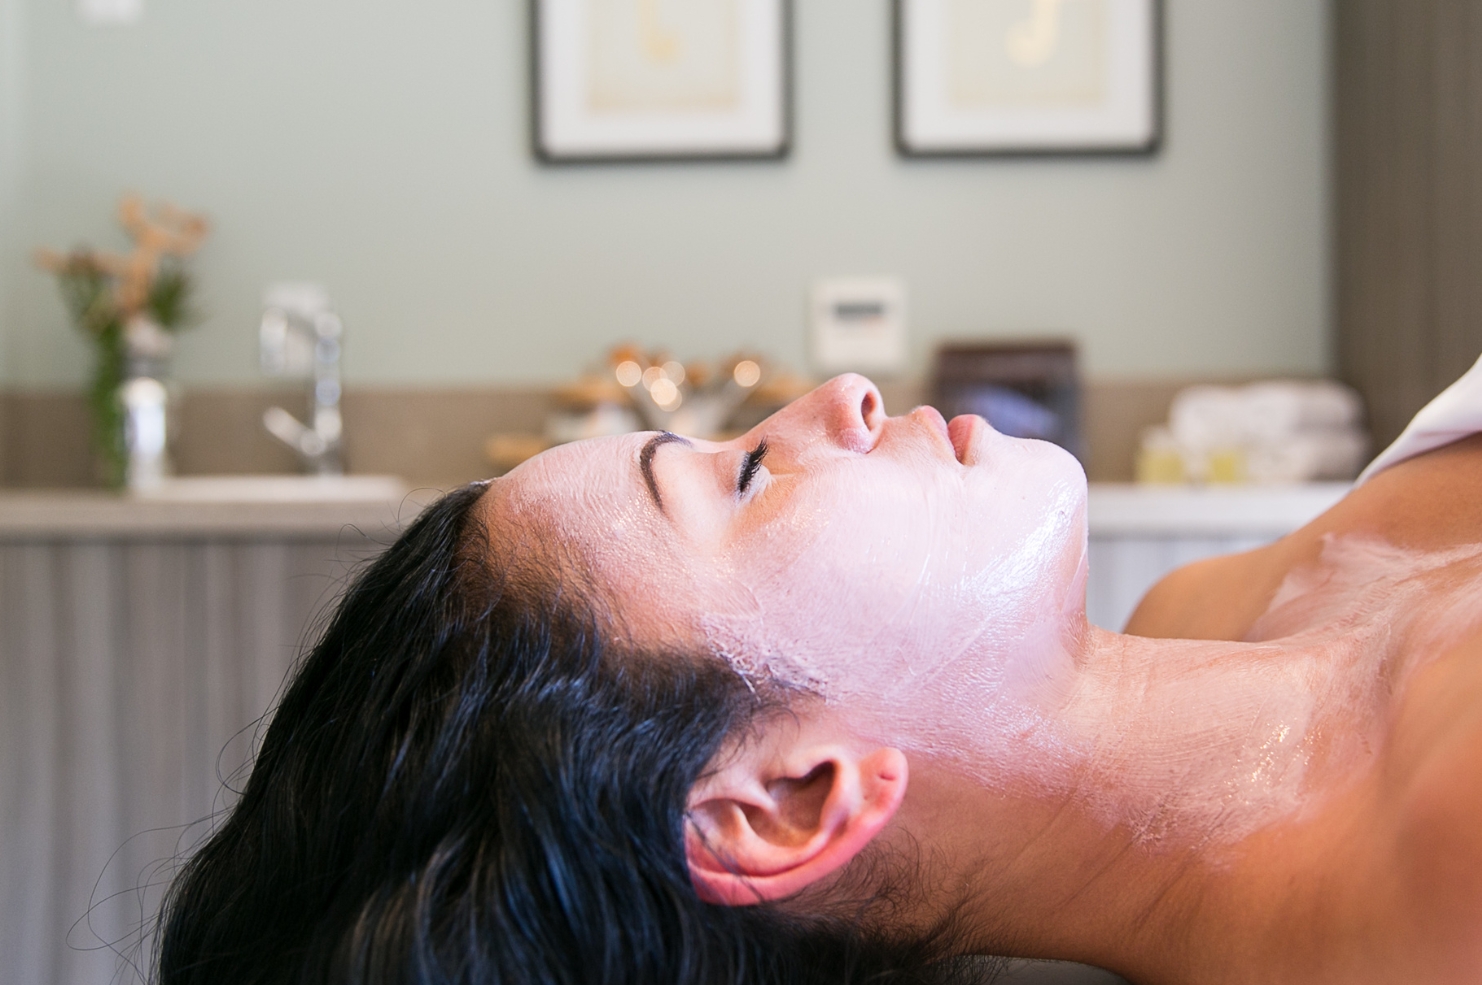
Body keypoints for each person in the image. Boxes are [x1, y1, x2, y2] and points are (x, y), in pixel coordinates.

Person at [157, 364, 1482, 985]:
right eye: (737, 475)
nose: (834, 399)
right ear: (788, 797)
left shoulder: (1210, 607)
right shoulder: (1443, 874)